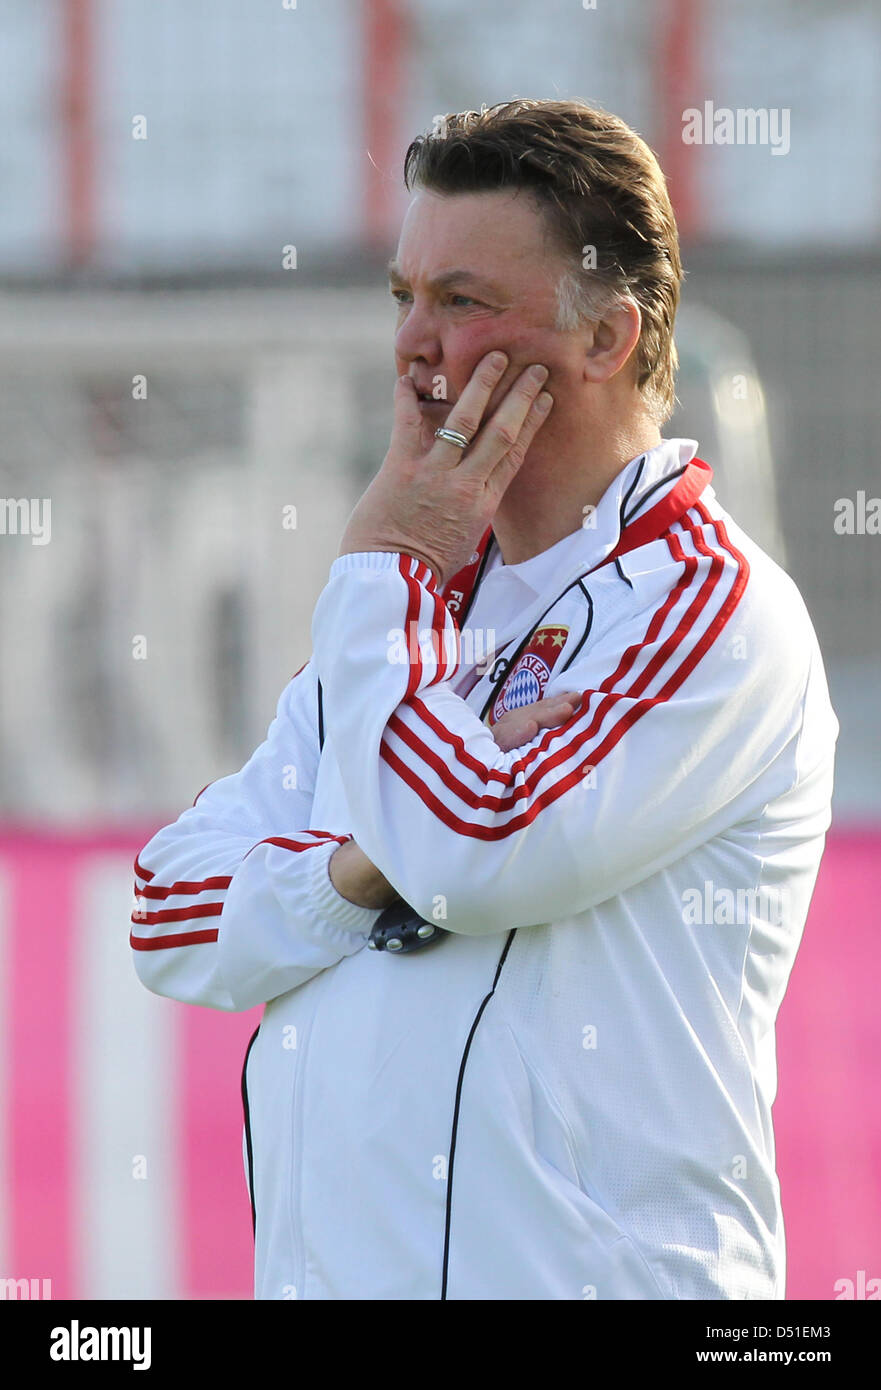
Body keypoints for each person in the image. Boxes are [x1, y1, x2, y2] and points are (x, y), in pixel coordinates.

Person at [131, 98, 838, 1300]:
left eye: (461, 302)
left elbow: (471, 850)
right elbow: (169, 912)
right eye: (401, 297)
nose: (413, 343)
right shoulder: (407, 611)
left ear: (606, 339)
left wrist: (386, 581)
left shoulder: (709, 607)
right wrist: (359, 867)